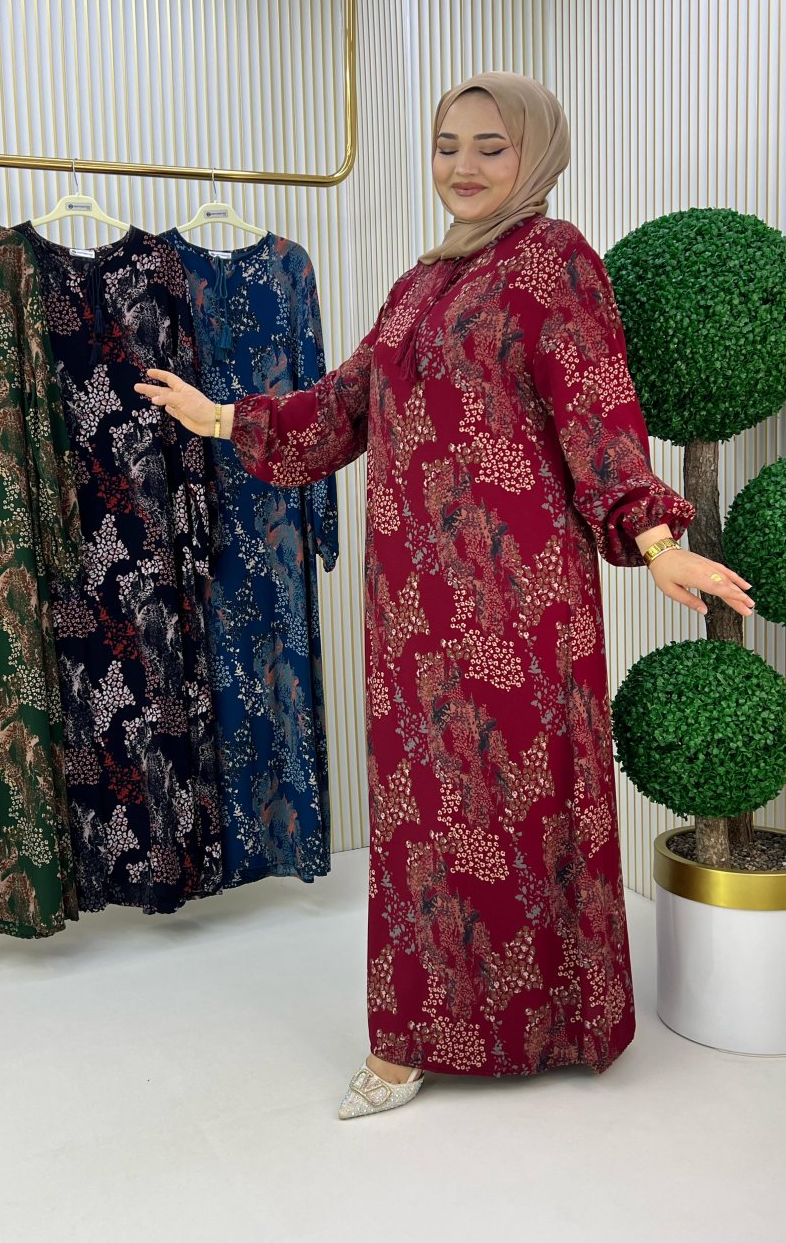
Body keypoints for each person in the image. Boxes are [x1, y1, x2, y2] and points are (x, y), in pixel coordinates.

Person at [134, 73, 755, 1119]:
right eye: (445, 144)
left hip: (520, 601)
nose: (463, 166)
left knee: (520, 802)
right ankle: (413, 1036)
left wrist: (657, 540)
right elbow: (345, 407)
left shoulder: (555, 261)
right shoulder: (420, 283)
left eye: (490, 147)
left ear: (535, 155)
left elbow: (596, 408)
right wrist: (224, 418)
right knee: (426, 821)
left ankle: (559, 1019)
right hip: (412, 615)